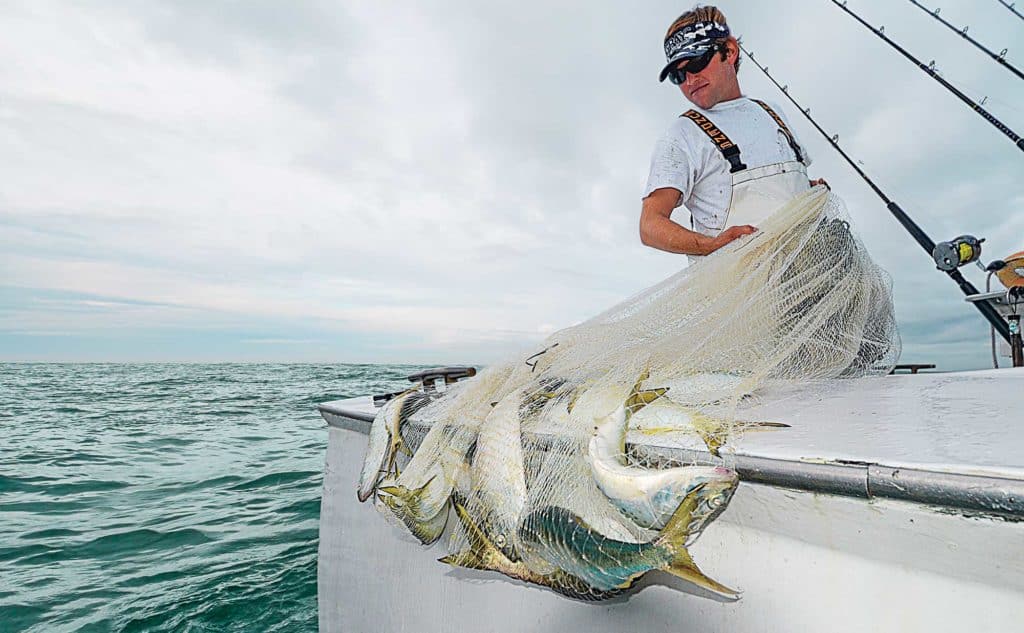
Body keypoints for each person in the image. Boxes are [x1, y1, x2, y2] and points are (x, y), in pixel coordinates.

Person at [640, 5, 827, 256]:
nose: (690, 80)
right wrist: (713, 245)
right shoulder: (682, 135)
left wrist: (808, 189)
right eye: (678, 75)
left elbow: (782, 184)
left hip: (813, 272)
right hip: (747, 293)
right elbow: (650, 225)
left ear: (729, 51)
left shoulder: (772, 112)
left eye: (696, 62)